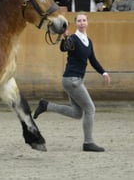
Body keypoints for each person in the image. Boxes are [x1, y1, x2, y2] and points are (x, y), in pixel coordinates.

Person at [33, 13, 112, 152]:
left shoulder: (88, 41)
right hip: (72, 80)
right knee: (90, 109)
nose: (82, 23)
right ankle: (88, 143)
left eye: (84, 20)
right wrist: (64, 38)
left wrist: (103, 72)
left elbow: (92, 60)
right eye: (79, 21)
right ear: (76, 23)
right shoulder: (73, 39)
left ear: (87, 22)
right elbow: (64, 48)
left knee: (77, 113)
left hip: (75, 80)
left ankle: (46, 106)